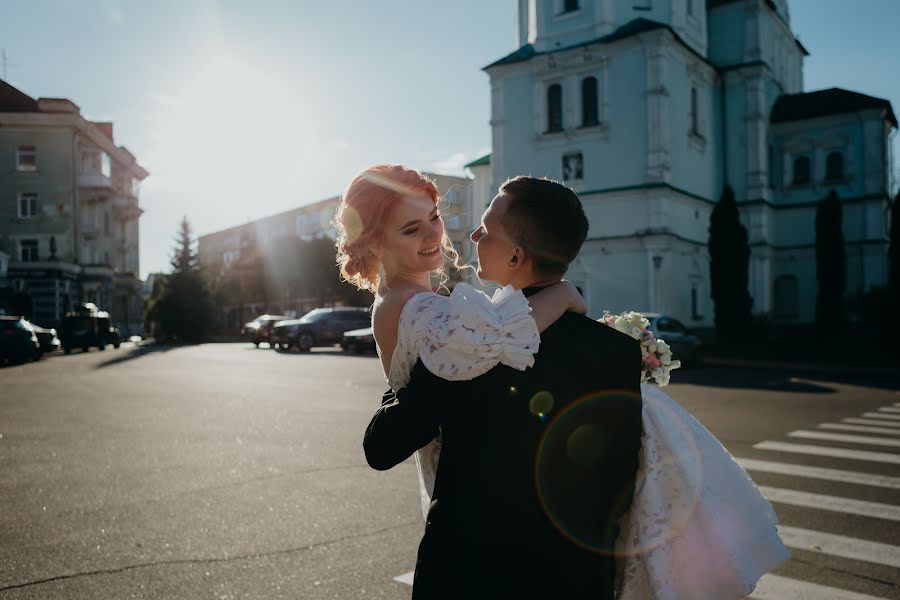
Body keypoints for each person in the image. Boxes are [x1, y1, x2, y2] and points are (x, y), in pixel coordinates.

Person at [337, 168, 788, 599]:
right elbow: (618, 484)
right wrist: (564, 293)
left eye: (434, 219)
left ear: (515, 255)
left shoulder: (466, 335)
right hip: (578, 577)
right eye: (413, 228)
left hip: (471, 571)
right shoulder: (608, 349)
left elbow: (396, 432)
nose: (457, 234)